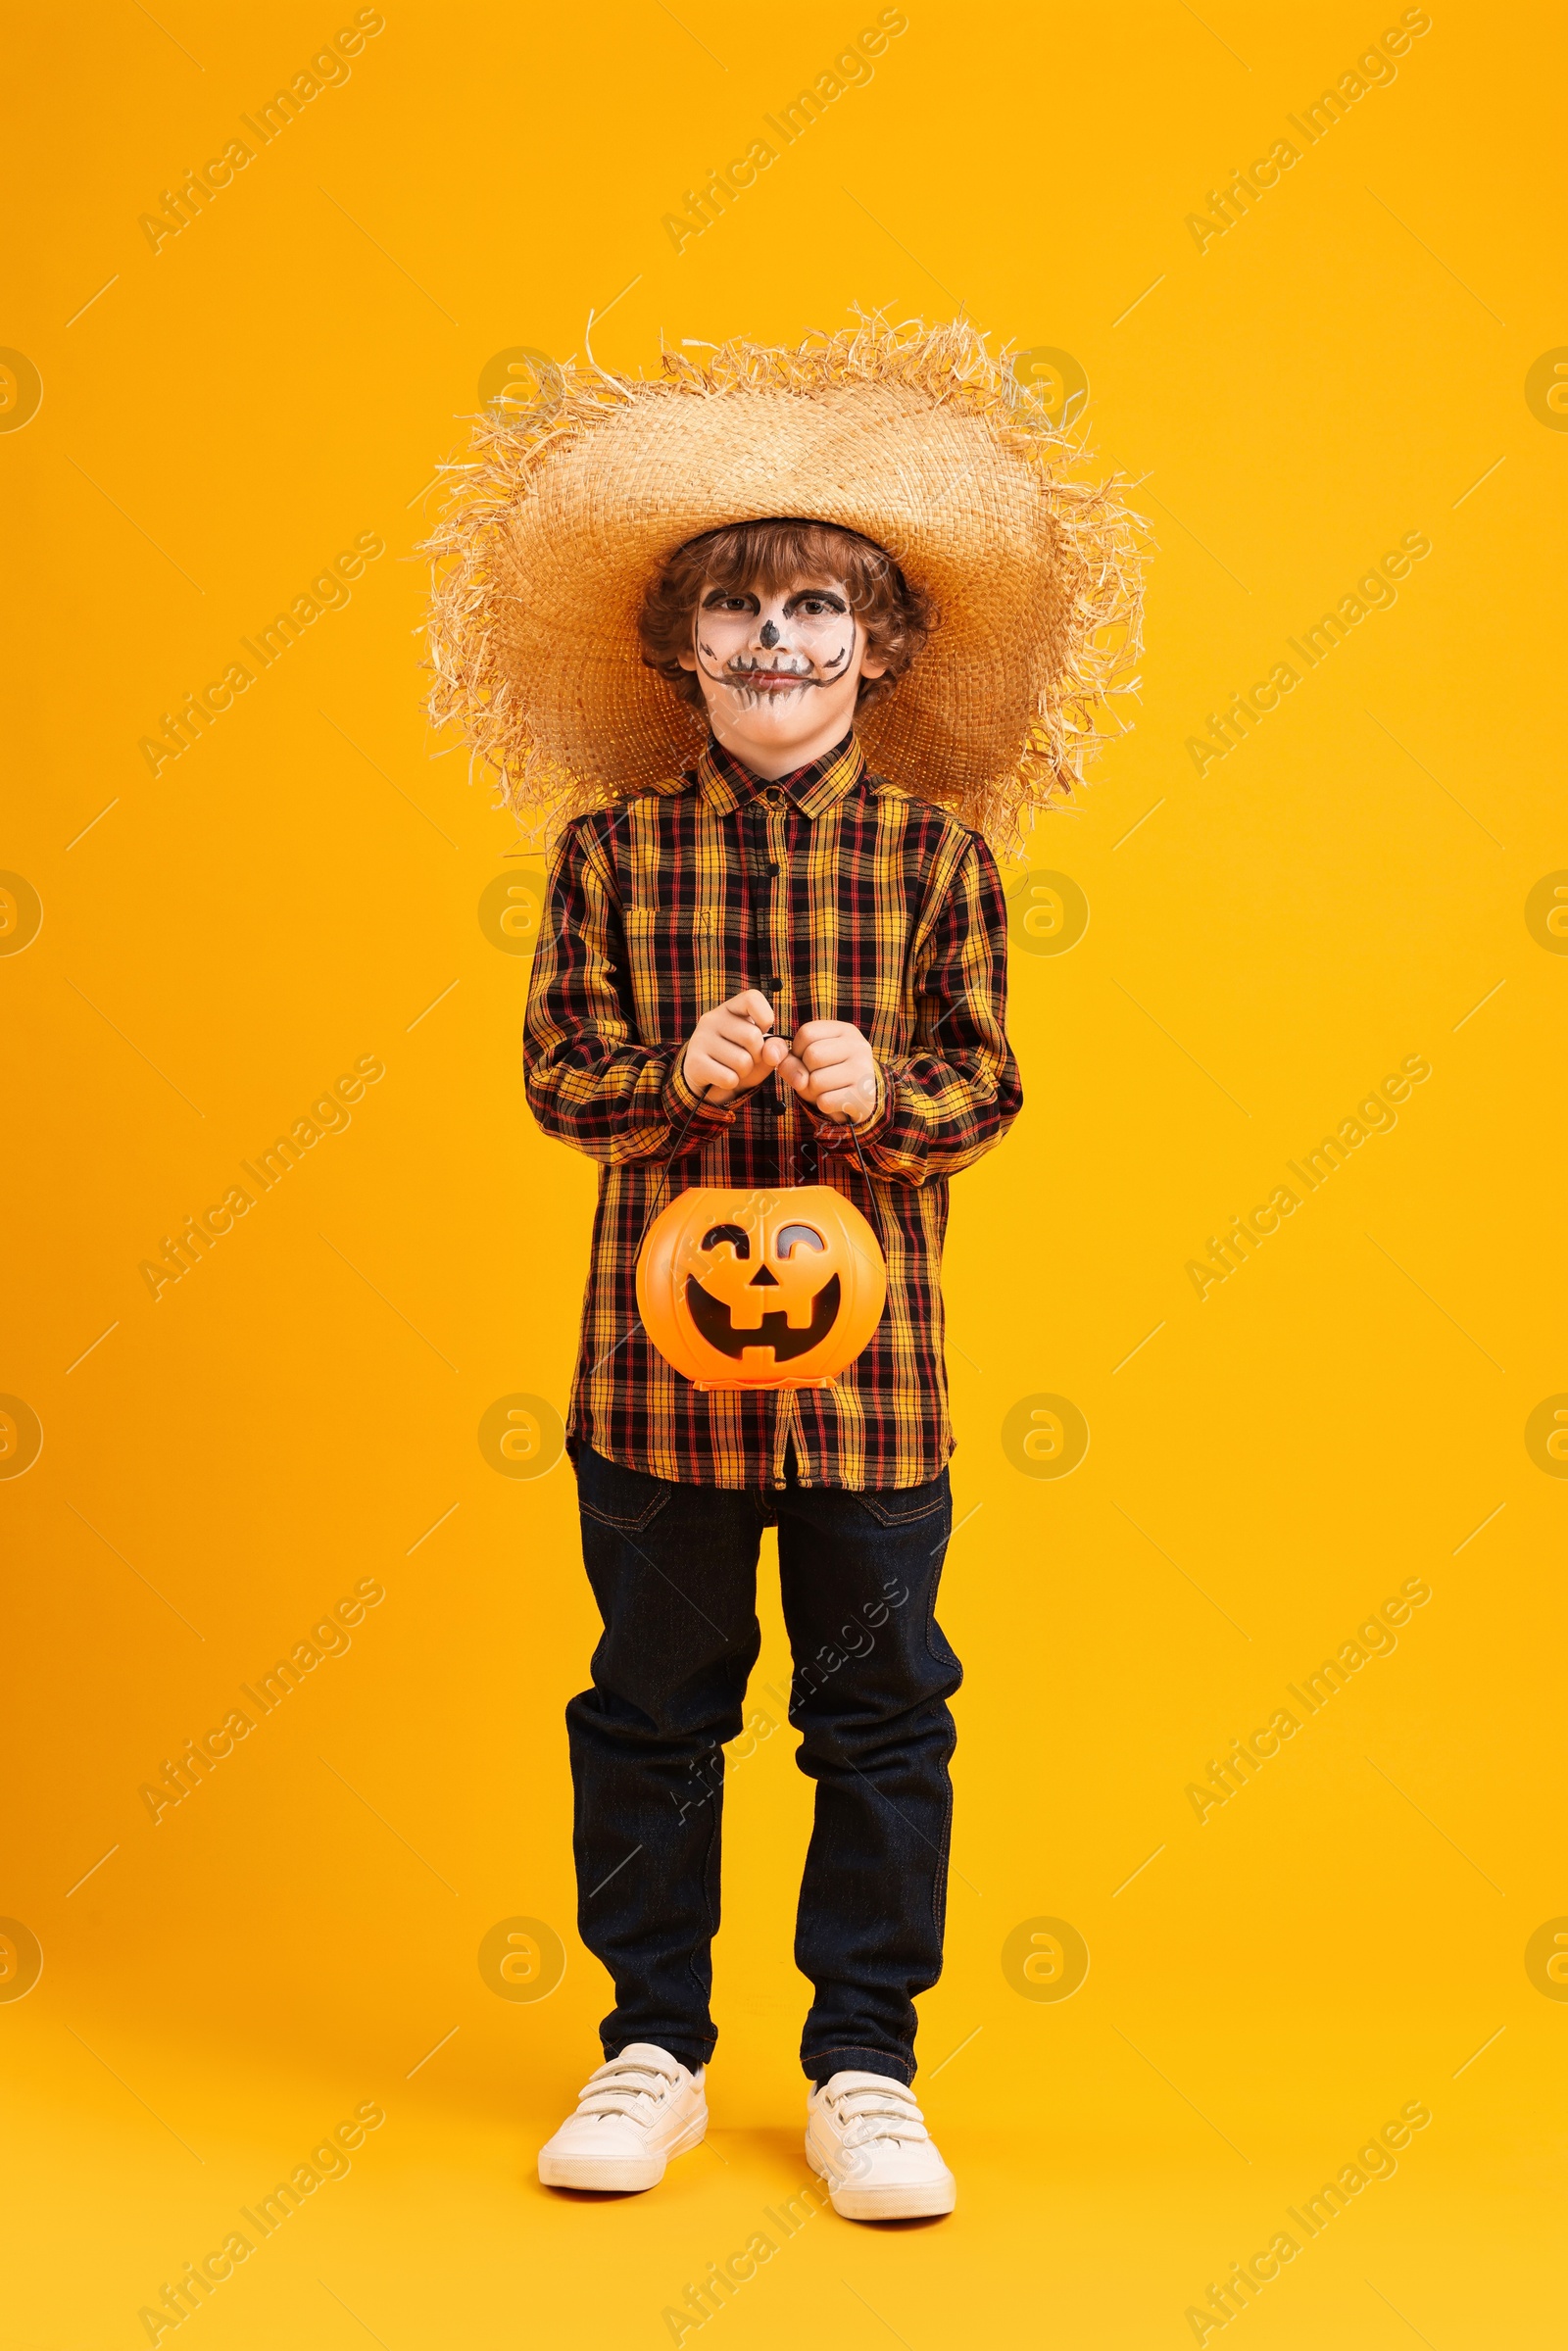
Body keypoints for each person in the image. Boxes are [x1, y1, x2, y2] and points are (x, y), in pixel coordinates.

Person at [424, 318, 1143, 2221]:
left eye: (816, 609)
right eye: (738, 612)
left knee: (880, 1715)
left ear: (880, 647)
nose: (777, 645)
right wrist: (671, 1080)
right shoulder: (603, 858)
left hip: (869, 1390)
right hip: (650, 1383)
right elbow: (556, 1084)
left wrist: (877, 1094)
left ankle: (863, 2069)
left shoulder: (936, 861)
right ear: (679, 649)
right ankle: (648, 2045)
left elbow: (982, 1088)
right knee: (653, 1709)